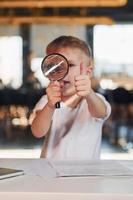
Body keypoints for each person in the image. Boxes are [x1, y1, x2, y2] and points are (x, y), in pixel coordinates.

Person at [31, 35, 111, 160]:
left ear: (88, 72)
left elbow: (100, 112)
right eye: (55, 66)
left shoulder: (94, 100)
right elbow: (38, 131)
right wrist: (50, 106)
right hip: (51, 173)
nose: (63, 71)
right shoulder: (47, 101)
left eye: (70, 65)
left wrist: (89, 93)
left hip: (86, 174)